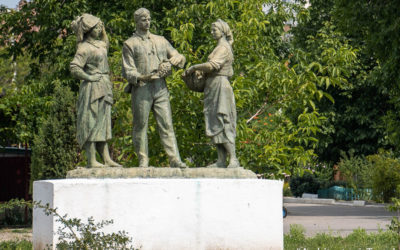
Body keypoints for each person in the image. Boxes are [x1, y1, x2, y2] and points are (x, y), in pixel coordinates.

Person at [122, 8, 187, 168]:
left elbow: (179, 57)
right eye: (144, 19)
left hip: (160, 88)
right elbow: (128, 71)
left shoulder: (161, 40)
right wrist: (144, 77)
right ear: (136, 22)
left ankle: (175, 159)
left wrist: (175, 60)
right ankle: (143, 160)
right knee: (140, 125)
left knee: (167, 124)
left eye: (149, 19)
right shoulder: (130, 44)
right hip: (141, 88)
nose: (147, 22)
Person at [184, 19, 240, 168]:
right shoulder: (218, 47)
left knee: (223, 120)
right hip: (213, 87)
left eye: (214, 30)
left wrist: (194, 67)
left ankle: (233, 159)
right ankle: (221, 160)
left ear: (222, 31)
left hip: (221, 86)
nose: (212, 32)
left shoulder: (223, 47)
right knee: (215, 122)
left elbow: (213, 65)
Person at [70, 14, 121, 168]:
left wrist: (102, 26)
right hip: (92, 88)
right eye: (97, 27)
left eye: (100, 27)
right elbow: (74, 68)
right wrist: (89, 77)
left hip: (104, 85)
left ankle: (106, 158)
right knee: (91, 121)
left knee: (103, 122)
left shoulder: (101, 45)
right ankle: (91, 159)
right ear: (89, 29)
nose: (100, 29)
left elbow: (106, 42)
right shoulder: (84, 47)